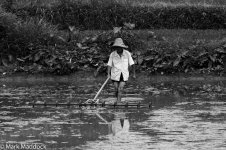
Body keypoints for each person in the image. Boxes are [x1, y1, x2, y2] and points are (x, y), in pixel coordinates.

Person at [107, 38, 136, 102]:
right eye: (117, 47)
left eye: (119, 47)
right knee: (116, 89)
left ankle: (118, 103)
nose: (118, 48)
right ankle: (117, 99)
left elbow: (132, 64)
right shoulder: (112, 54)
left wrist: (134, 74)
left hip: (124, 74)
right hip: (115, 74)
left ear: (122, 47)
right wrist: (108, 74)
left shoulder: (127, 54)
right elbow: (109, 64)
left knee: (120, 89)